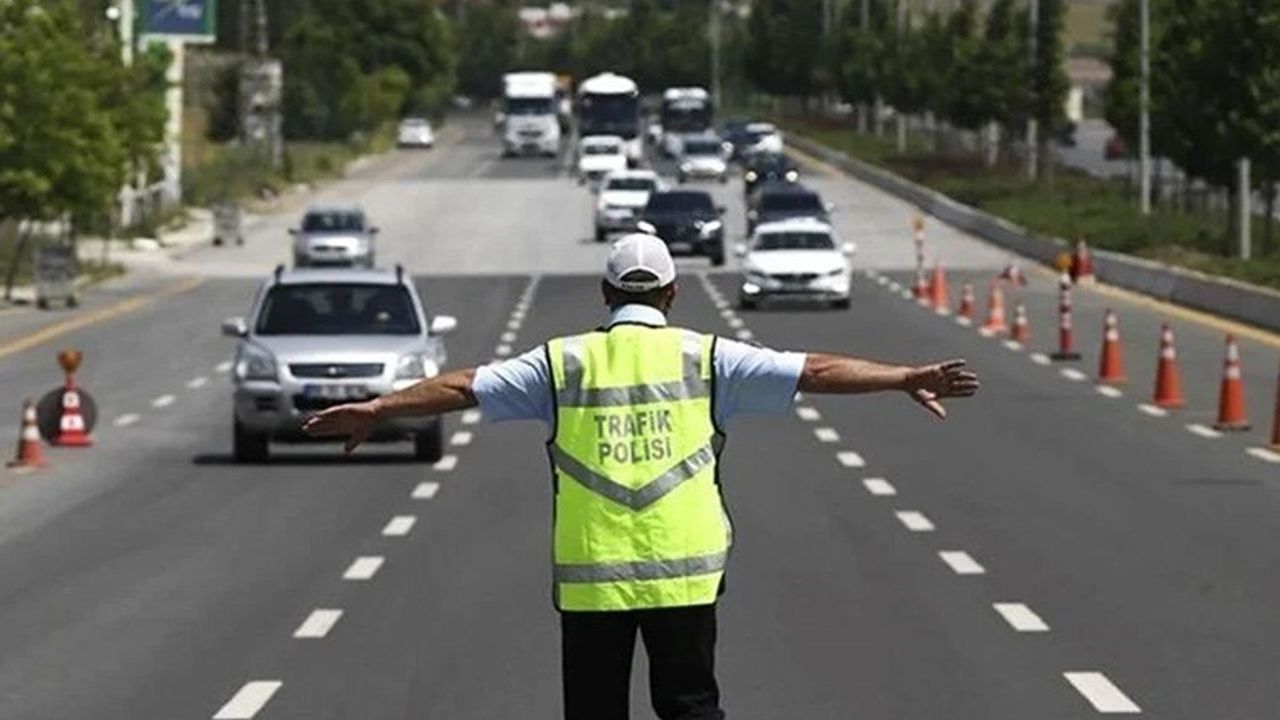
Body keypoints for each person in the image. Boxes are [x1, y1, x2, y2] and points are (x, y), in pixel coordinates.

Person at [303, 233, 979, 720]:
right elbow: (815, 371)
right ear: (672, 293)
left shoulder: (561, 364)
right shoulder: (707, 357)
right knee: (691, 706)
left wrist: (380, 408)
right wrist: (903, 377)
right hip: (685, 575)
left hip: (593, 579)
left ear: (604, 295)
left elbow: (462, 386)